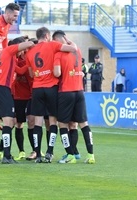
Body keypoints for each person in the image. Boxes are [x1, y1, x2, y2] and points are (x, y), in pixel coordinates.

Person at [25, 27, 77, 163]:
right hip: (51, 87)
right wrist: (69, 42)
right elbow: (72, 49)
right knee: (53, 121)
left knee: (38, 122)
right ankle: (49, 152)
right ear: (47, 35)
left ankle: (37, 154)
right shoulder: (53, 45)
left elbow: (31, 74)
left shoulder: (30, 52)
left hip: (36, 88)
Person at [0, 36, 34, 164]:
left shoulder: (9, 57)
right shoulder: (9, 50)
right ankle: (6, 156)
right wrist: (33, 44)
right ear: (16, 45)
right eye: (21, 48)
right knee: (9, 122)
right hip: (3, 90)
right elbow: (28, 44)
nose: (22, 52)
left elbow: (21, 71)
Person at [53, 31, 95, 164]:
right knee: (81, 123)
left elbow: (57, 73)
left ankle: (70, 155)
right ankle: (90, 155)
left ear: (57, 40)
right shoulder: (77, 51)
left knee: (63, 124)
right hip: (79, 92)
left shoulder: (58, 54)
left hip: (66, 91)